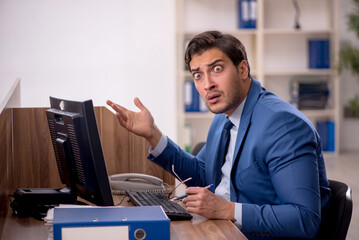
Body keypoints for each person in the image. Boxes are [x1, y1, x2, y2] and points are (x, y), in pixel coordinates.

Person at [107, 31, 331, 239]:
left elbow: (305, 219)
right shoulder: (224, 117)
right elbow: (204, 174)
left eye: (216, 69)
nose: (207, 85)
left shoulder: (282, 125)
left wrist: (226, 209)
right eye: (198, 75)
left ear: (243, 69)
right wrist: (153, 134)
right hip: (219, 228)